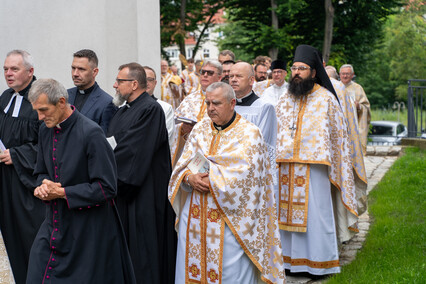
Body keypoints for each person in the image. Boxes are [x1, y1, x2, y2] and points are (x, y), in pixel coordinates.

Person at [169, 82, 285, 284]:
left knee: (228, 273)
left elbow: (248, 181)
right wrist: (189, 178)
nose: (210, 108)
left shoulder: (250, 134)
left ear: (232, 103)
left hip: (231, 219)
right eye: (207, 103)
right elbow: (183, 165)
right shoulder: (200, 130)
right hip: (195, 215)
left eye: (216, 103)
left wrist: (210, 177)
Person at [27, 78, 136, 283]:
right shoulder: (45, 130)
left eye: (44, 110)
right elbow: (40, 172)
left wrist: (62, 193)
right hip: (55, 223)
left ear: (61, 102)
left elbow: (107, 188)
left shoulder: (91, 133)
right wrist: (42, 186)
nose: (40, 117)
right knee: (36, 273)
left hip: (88, 230)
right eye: (37, 111)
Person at [275, 44, 358, 275]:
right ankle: (288, 263)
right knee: (284, 218)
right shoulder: (284, 99)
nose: (296, 73)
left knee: (316, 215)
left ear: (313, 72)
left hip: (315, 171)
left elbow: (338, 139)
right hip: (284, 170)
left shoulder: (326, 100)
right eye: (294, 68)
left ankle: (318, 262)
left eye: (302, 68)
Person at [107, 63, 177, 284]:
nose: (115, 85)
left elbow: (132, 152)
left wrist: (107, 169)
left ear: (134, 84)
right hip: (123, 188)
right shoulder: (123, 110)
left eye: (119, 81)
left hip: (142, 191)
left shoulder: (150, 109)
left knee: (143, 250)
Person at [0, 50, 45, 284]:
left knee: (30, 240)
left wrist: (17, 155)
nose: (8, 74)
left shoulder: (42, 100)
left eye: (14, 69)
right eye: (6, 69)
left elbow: (49, 145)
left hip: (28, 187)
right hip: (5, 183)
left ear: (30, 72)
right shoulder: (6, 97)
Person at [171, 60, 222, 167]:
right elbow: (174, 124)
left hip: (214, 154)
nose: (205, 75)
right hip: (190, 153)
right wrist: (182, 129)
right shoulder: (189, 99)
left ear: (219, 77)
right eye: (202, 72)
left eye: (210, 73)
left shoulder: (224, 100)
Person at [229, 61, 277, 168]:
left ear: (251, 80)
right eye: (231, 76)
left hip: (250, 168)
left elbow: (261, 145)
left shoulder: (264, 108)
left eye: (239, 76)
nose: (233, 79)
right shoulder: (226, 107)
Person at [67, 49, 117, 133]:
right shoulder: (65, 95)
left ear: (95, 72)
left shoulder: (107, 103)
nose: (75, 73)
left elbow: (104, 139)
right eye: (73, 68)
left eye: (81, 69)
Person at [339, 64, 371, 154]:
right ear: (339, 74)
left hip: (353, 125)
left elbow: (366, 107)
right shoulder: (335, 87)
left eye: (347, 74)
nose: (345, 76)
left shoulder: (358, 88)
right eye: (343, 74)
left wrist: (359, 106)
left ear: (352, 75)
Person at [143, 65, 175, 146]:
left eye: (150, 79)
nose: (146, 83)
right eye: (143, 79)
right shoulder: (125, 106)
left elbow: (166, 137)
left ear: (155, 83)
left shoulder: (166, 108)